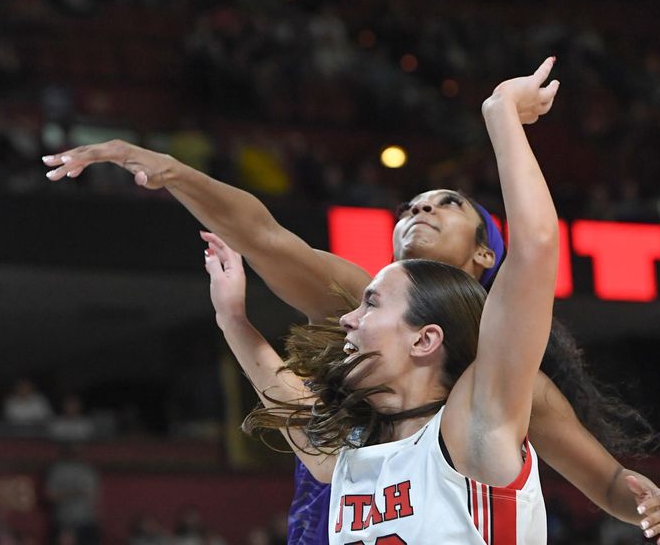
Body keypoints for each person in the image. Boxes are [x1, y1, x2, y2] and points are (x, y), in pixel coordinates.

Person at [44, 58, 660, 543]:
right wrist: (171, 171)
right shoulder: (362, 298)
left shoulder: (499, 377)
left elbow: (603, 481)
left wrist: (639, 501)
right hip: (342, 505)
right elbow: (264, 239)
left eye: (447, 202)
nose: (421, 207)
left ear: (487, 256)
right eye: (411, 204)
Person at [204, 61, 560, 542]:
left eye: (371, 304)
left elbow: (535, 247)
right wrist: (232, 319)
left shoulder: (476, 423)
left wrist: (501, 115)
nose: (348, 319)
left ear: (425, 338)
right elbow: (290, 401)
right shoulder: (348, 458)